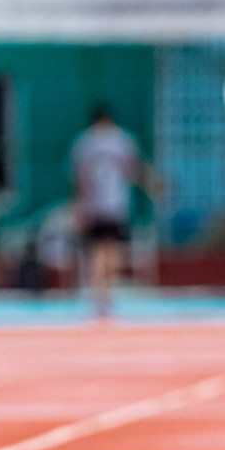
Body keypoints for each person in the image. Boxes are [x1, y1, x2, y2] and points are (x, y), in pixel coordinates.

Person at [70, 107, 151, 318]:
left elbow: (80, 179)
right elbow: (133, 170)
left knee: (97, 252)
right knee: (113, 251)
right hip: (116, 205)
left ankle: (99, 299)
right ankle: (107, 296)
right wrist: (152, 183)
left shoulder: (84, 142)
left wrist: (80, 205)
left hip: (94, 205)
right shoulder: (122, 140)